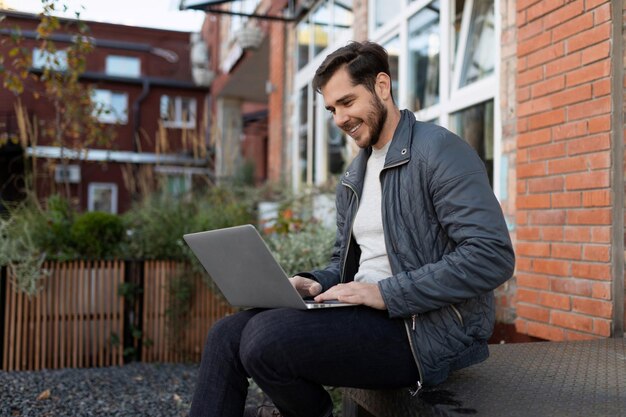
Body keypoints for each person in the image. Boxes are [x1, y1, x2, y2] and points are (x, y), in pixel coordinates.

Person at [189, 41, 515, 417]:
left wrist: (387, 293)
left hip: (423, 330)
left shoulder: (439, 150)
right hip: (366, 316)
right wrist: (314, 283)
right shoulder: (354, 176)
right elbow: (346, 265)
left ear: (381, 86)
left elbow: (491, 256)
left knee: (265, 340)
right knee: (225, 335)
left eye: (346, 102)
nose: (339, 119)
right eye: (331, 109)